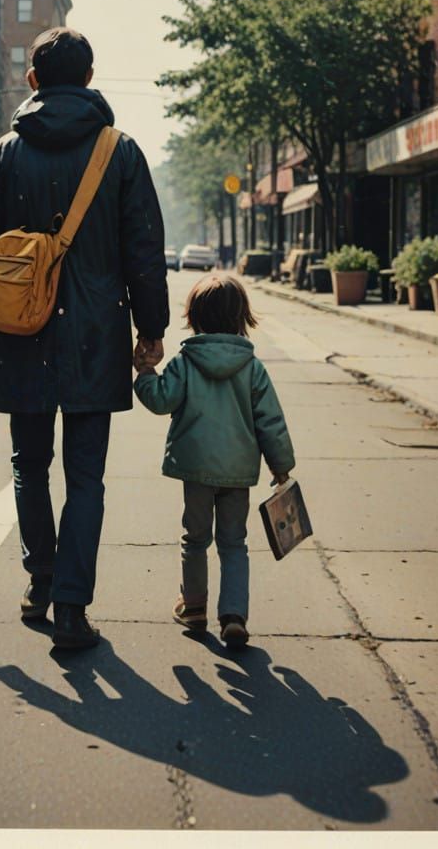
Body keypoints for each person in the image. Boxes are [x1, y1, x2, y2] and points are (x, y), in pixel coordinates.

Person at [0, 26, 169, 650]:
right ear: (90, 76)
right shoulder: (120, 152)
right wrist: (150, 330)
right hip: (97, 338)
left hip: (21, 334)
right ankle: (72, 609)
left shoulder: (2, 155)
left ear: (33, 79)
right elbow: (144, 250)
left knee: (28, 465)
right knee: (87, 477)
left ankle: (39, 582)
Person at [132, 273, 295, 650]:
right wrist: (281, 466)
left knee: (195, 539)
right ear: (242, 317)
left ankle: (193, 607)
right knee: (234, 543)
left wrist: (143, 373)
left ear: (195, 317)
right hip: (238, 472)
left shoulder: (185, 361)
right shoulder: (253, 368)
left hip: (196, 469)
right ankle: (234, 615)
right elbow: (270, 420)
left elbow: (161, 400)